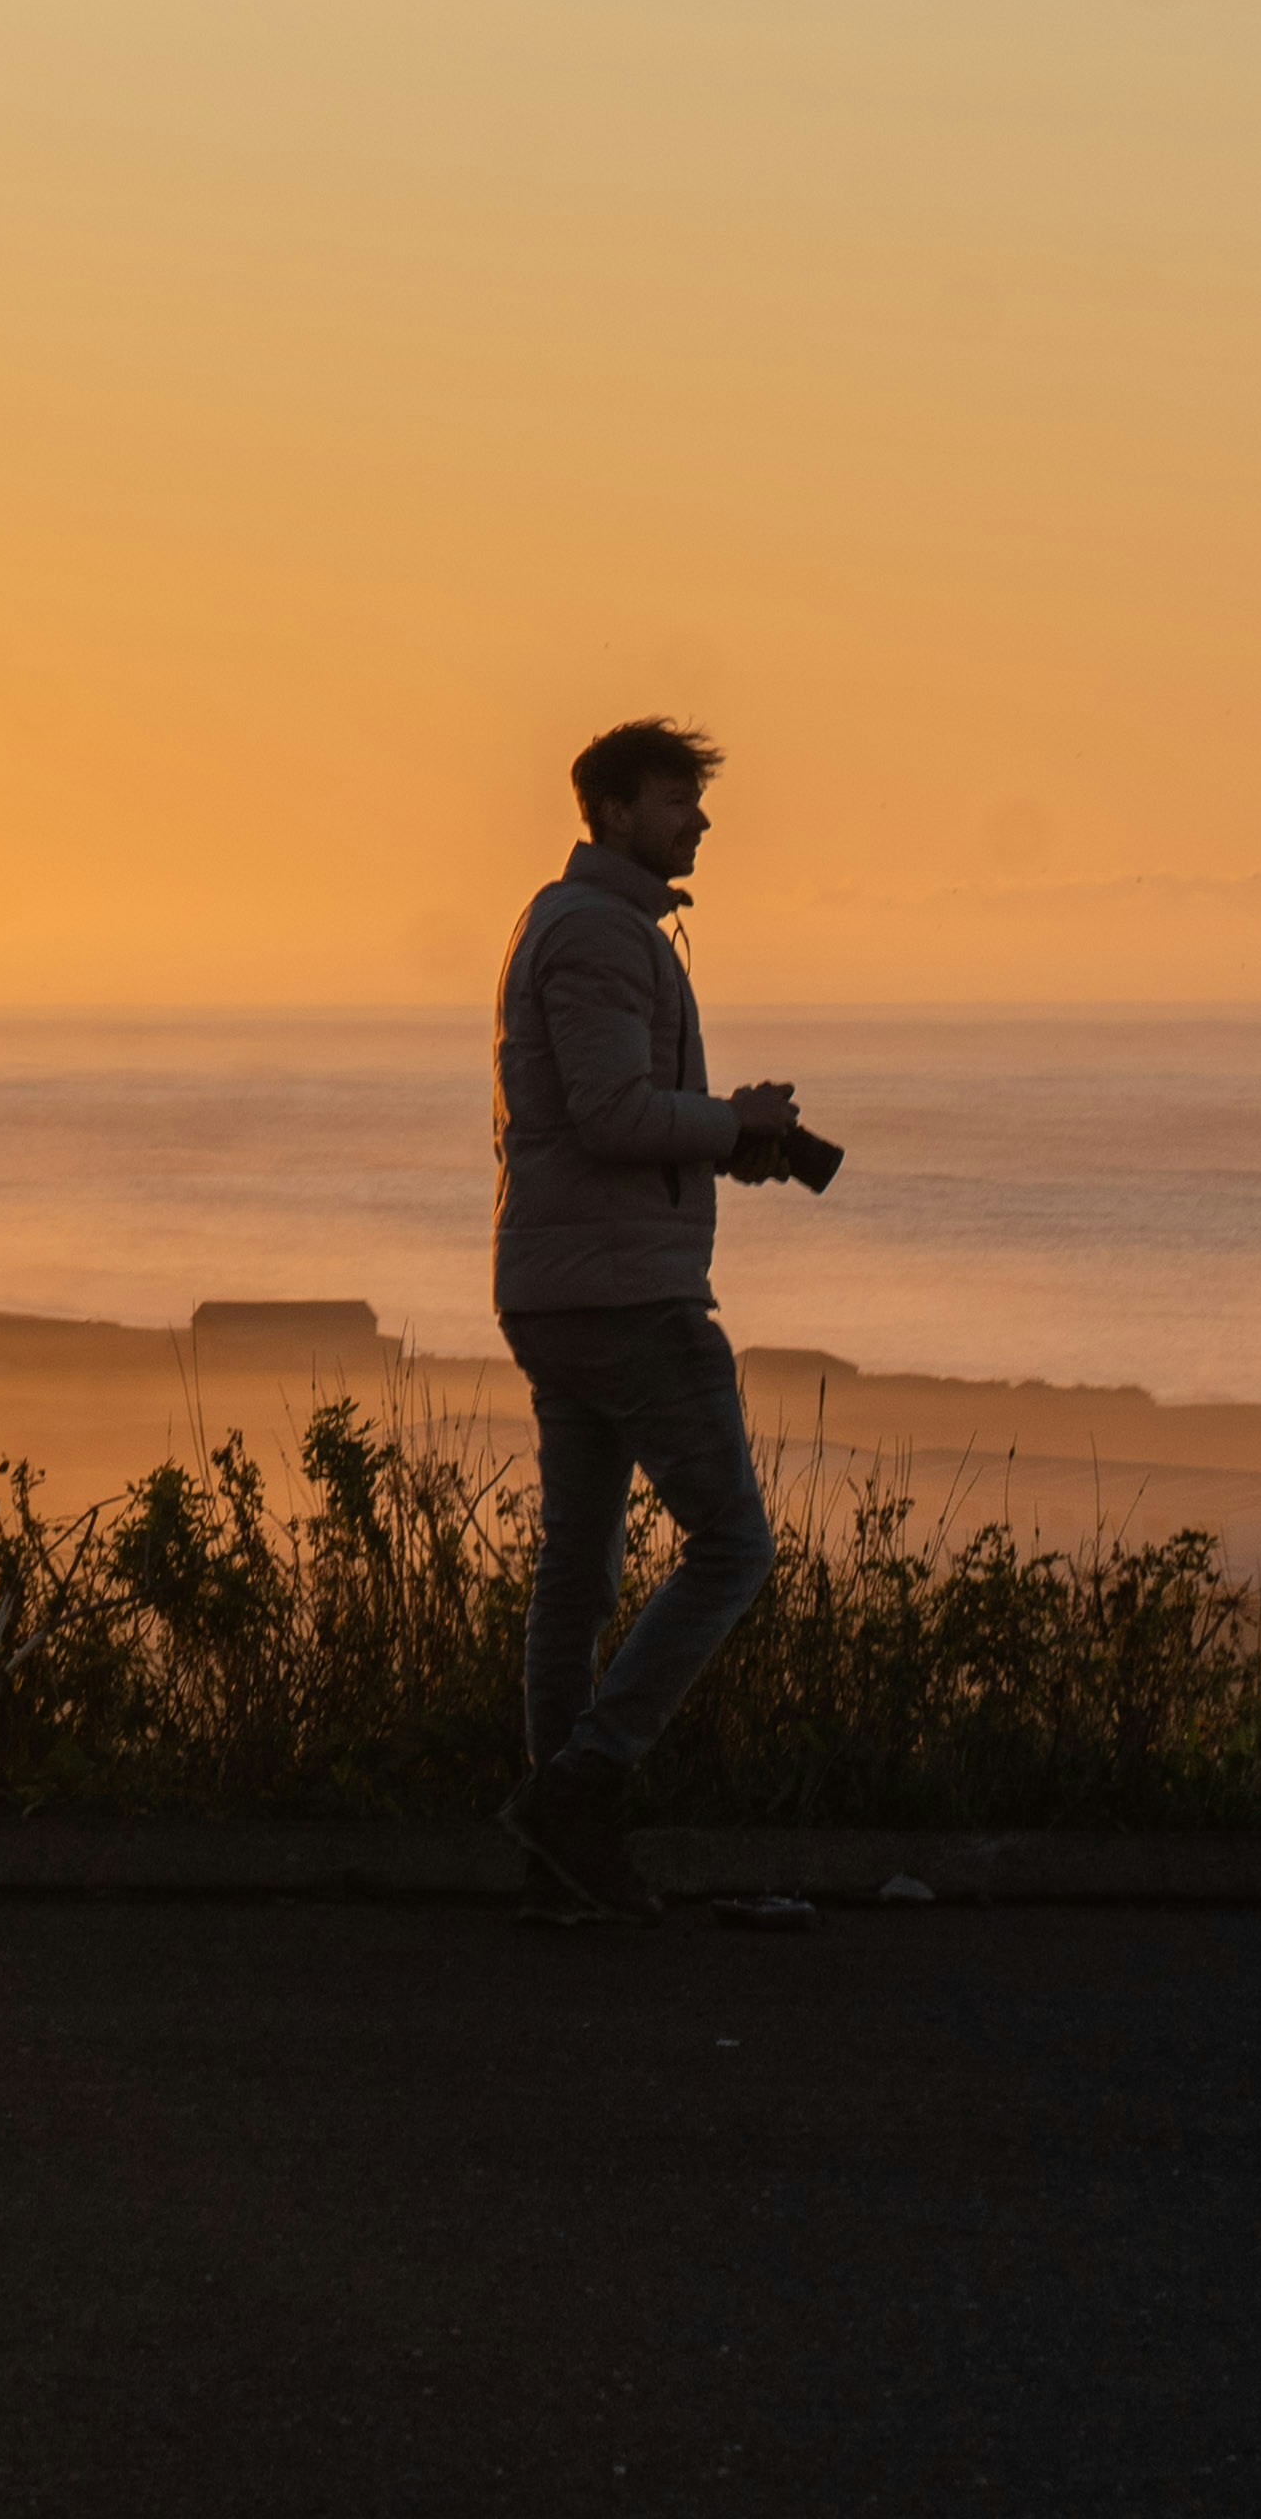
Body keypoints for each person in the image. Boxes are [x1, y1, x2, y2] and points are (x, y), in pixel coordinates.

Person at [490, 714, 826, 1924]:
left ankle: (558, 1846)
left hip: (565, 1282)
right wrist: (729, 1118)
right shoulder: (594, 935)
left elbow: (624, 1127)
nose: (699, 819)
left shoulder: (590, 927)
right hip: (623, 1297)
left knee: (576, 1571)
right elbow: (611, 1114)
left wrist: (736, 1146)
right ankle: (580, 1787)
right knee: (732, 1546)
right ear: (615, 809)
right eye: (678, 799)